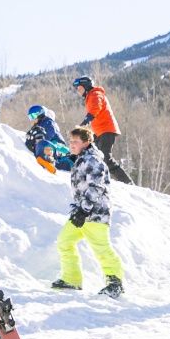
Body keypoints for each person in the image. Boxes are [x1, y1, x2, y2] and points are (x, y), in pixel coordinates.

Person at [50, 125, 125, 298]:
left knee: (101, 247)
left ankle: (115, 282)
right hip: (81, 212)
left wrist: (83, 210)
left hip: (95, 213)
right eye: (70, 141)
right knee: (64, 241)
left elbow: (96, 186)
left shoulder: (92, 160)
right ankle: (71, 279)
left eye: (76, 142)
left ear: (87, 142)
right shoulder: (81, 159)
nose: (72, 144)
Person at [71, 75, 134, 182]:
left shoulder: (95, 94)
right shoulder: (90, 96)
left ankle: (127, 182)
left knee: (105, 158)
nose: (78, 91)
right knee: (91, 152)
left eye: (79, 88)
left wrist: (87, 119)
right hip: (99, 131)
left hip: (106, 130)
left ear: (86, 86)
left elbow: (96, 107)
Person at [23, 104, 71, 173]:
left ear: (39, 114)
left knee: (44, 144)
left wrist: (39, 140)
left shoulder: (48, 122)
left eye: (33, 116)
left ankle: (49, 162)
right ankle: (45, 161)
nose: (32, 119)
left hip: (60, 148)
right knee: (41, 145)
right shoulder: (37, 126)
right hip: (51, 149)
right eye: (30, 117)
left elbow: (49, 135)